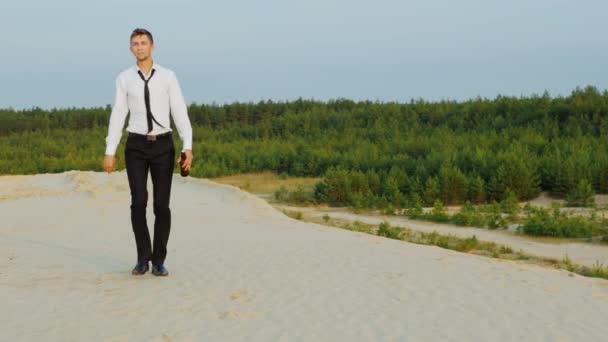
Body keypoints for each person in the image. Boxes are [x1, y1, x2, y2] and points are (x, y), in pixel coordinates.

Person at [102, 28, 193, 276]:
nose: (140, 47)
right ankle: (143, 258)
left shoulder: (168, 77)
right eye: (135, 43)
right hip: (136, 146)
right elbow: (118, 114)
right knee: (138, 202)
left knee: (161, 206)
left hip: (163, 145)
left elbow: (179, 112)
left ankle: (159, 260)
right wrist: (110, 150)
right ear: (131, 49)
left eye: (143, 43)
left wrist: (188, 146)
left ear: (152, 46)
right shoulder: (124, 79)